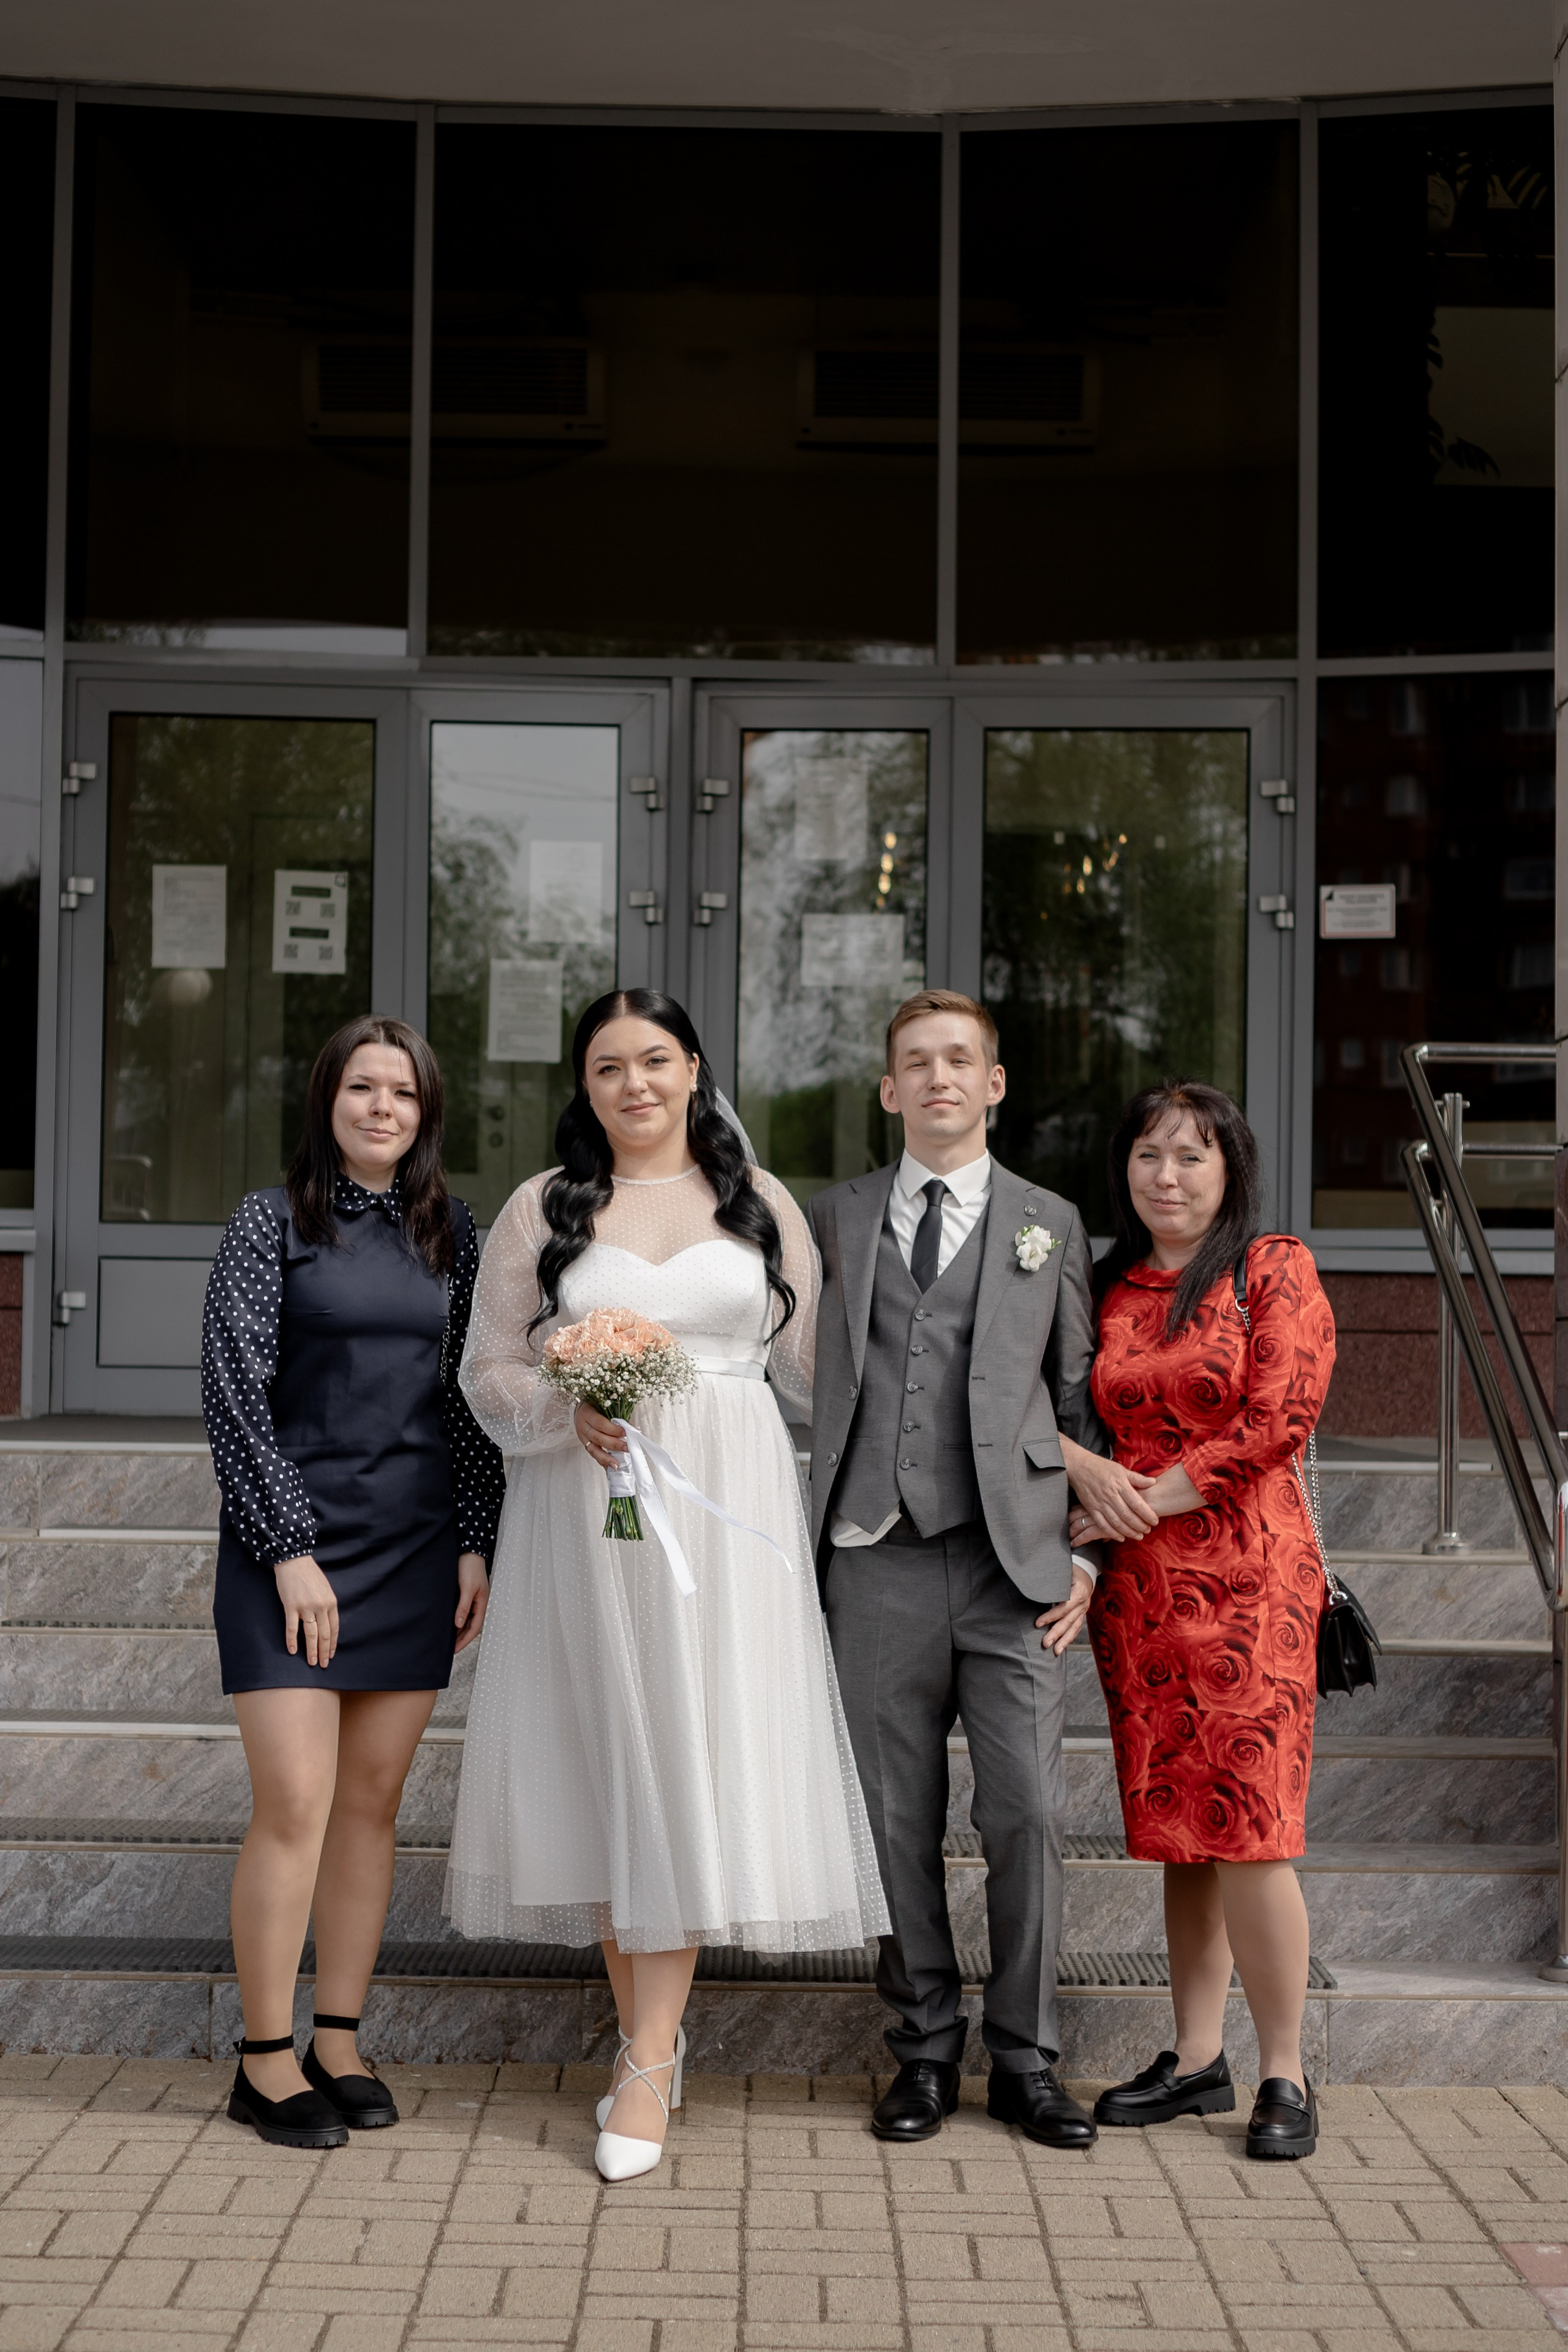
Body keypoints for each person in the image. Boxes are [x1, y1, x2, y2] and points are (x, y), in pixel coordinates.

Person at [445, 988, 887, 2184]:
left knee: (691, 1744)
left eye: (653, 1060)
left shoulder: (757, 1203)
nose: (631, 1083)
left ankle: (645, 2053)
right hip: (581, 1505)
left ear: (693, 1068)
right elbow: (486, 1367)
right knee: (607, 1751)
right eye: (606, 1065)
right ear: (582, 1084)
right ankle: (651, 2036)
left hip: (724, 1511)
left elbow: (817, 1372)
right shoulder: (546, 1206)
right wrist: (563, 1401)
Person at [809, 988, 1108, 2149]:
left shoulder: (1050, 1219)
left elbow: (1081, 1397)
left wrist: (1091, 1557)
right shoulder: (832, 1218)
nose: (938, 1078)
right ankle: (925, 2049)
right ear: (889, 1091)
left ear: (994, 1085)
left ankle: (1027, 2060)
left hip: (1014, 1566)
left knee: (1027, 1815)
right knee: (896, 1820)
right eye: (915, 1063)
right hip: (874, 1557)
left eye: (960, 1061)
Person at [202, 1016, 505, 2150]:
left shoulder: (452, 1232)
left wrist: (477, 1541)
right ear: (327, 1098)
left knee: (371, 1809)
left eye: (405, 1093)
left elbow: (472, 1402)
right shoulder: (266, 1224)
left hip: (416, 1548)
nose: (383, 1107)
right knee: (295, 1804)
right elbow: (234, 1394)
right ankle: (264, 2061)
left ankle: (339, 2040)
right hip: (288, 1554)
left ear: (425, 1114)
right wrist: (289, 1551)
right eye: (363, 1088)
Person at [1067, 1079, 1336, 2161]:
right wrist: (1096, 1487)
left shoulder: (1272, 1269)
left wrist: (1153, 1492)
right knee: (1185, 1836)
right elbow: (1070, 1417)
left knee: (1254, 1833)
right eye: (1147, 1156)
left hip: (1252, 1582)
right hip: (1138, 1592)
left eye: (1190, 1157)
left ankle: (1285, 2071)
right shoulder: (1110, 1286)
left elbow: (1284, 1415)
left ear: (1230, 1169)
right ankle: (1193, 2057)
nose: (1166, 1176)